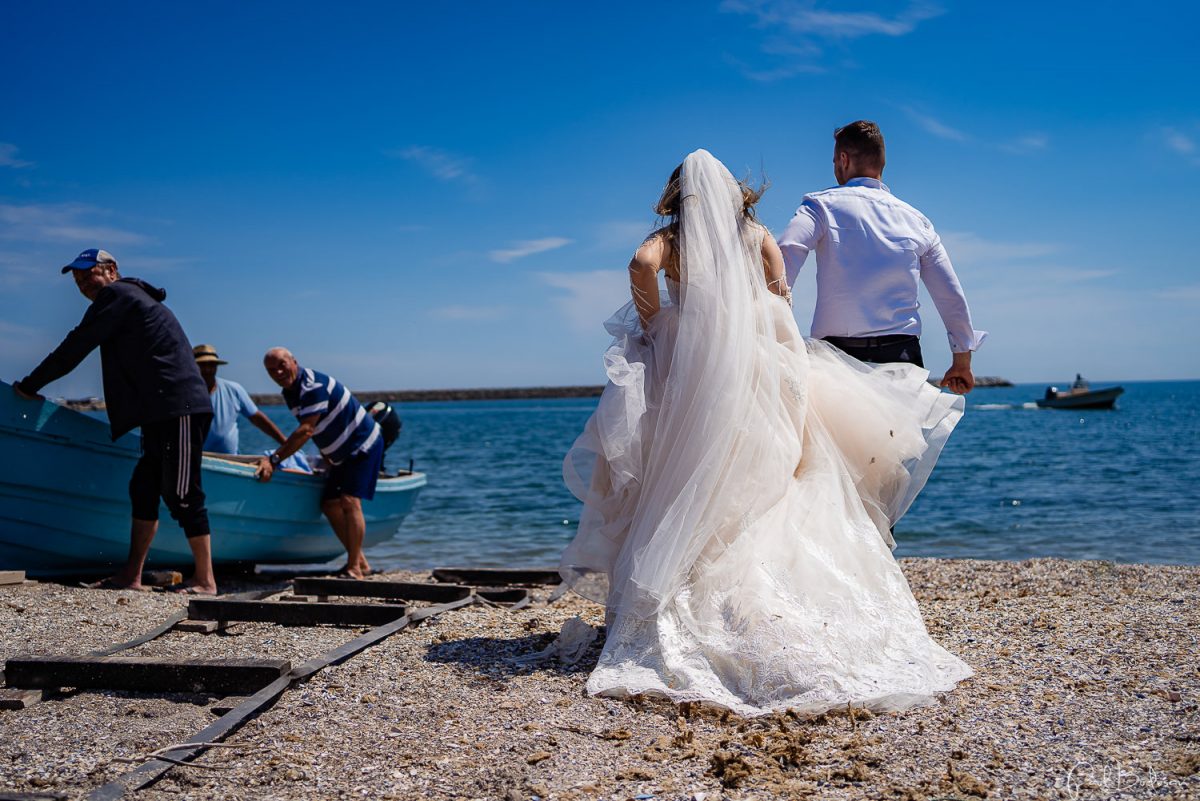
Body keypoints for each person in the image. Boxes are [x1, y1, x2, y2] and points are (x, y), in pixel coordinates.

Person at [559, 151, 971, 716]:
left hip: (690, 367)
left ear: (678, 196)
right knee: (771, 465)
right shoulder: (754, 233)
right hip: (756, 362)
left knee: (684, 466)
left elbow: (638, 262)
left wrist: (657, 323)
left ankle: (679, 588)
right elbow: (781, 298)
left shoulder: (671, 239)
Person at [12, 248, 218, 594]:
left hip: (178, 404)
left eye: (87, 274)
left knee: (182, 492)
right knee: (144, 487)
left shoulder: (118, 294)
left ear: (111, 270)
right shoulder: (125, 299)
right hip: (159, 411)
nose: (82, 284)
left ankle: (207, 580)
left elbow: (76, 345)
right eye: (77, 280)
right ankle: (131, 576)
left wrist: (30, 386)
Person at [777, 120, 986, 394]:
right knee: (901, 438)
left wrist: (771, 320)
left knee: (834, 438)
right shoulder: (916, 221)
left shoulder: (820, 206)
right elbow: (950, 295)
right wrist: (962, 360)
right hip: (902, 361)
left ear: (843, 159)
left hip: (836, 359)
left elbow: (787, 252)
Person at [255, 348, 383, 579]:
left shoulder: (312, 386)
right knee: (330, 504)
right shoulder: (289, 392)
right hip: (339, 454)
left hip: (362, 444)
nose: (279, 372)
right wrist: (326, 457)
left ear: (295, 361)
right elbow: (320, 428)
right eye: (272, 370)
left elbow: (306, 430)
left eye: (282, 365)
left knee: (350, 501)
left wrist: (273, 460)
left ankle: (354, 568)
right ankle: (361, 562)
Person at [193, 344, 287, 455]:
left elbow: (257, 418)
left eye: (211, 365)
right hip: (196, 460)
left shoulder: (234, 389)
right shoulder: (185, 393)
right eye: (202, 365)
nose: (207, 369)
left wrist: (286, 444)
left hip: (230, 460)